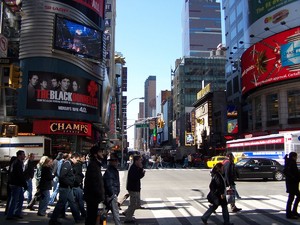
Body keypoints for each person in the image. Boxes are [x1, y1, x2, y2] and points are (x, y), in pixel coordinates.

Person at [48, 153, 81, 225]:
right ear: (74, 158)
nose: (77, 162)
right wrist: (70, 183)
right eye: (77, 160)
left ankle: (78, 218)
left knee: (72, 202)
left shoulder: (69, 164)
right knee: (61, 203)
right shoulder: (67, 164)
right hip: (65, 187)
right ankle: (53, 220)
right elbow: (62, 176)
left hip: (67, 187)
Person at [84, 146, 105, 225]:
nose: (102, 154)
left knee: (93, 217)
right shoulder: (93, 165)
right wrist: (101, 195)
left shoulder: (96, 165)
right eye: (100, 152)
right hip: (93, 197)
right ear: (95, 154)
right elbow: (94, 183)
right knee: (92, 218)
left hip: (94, 197)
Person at [123, 155, 145, 223]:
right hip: (133, 188)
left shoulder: (135, 167)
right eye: (139, 160)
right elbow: (136, 177)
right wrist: (142, 172)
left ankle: (127, 212)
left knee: (134, 203)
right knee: (133, 204)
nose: (140, 162)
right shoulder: (133, 168)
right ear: (136, 161)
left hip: (134, 187)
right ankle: (128, 218)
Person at [6, 150, 27, 220]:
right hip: (16, 184)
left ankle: (17, 213)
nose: (24, 156)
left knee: (20, 199)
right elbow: (20, 175)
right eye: (23, 155)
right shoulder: (17, 163)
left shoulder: (17, 162)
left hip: (17, 184)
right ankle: (10, 215)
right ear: (19, 155)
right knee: (14, 200)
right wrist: (24, 183)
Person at [103, 152, 121, 225]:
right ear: (112, 162)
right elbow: (109, 184)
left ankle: (101, 222)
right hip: (111, 195)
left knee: (104, 213)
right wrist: (114, 194)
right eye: (115, 161)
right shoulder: (110, 171)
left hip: (109, 195)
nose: (117, 163)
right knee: (115, 213)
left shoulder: (112, 170)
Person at [284, 152, 300, 219]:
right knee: (293, 197)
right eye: (296, 156)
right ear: (294, 157)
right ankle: (291, 213)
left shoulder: (288, 162)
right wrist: (295, 177)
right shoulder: (291, 163)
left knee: (292, 198)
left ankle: (292, 212)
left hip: (291, 183)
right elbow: (293, 172)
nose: (296, 158)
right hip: (292, 183)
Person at [71, 153, 86, 218]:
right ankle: (82, 214)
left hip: (75, 185)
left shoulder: (77, 164)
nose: (84, 159)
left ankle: (80, 214)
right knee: (79, 201)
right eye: (84, 158)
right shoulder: (77, 165)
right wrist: (79, 181)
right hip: (76, 185)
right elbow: (77, 175)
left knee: (72, 201)